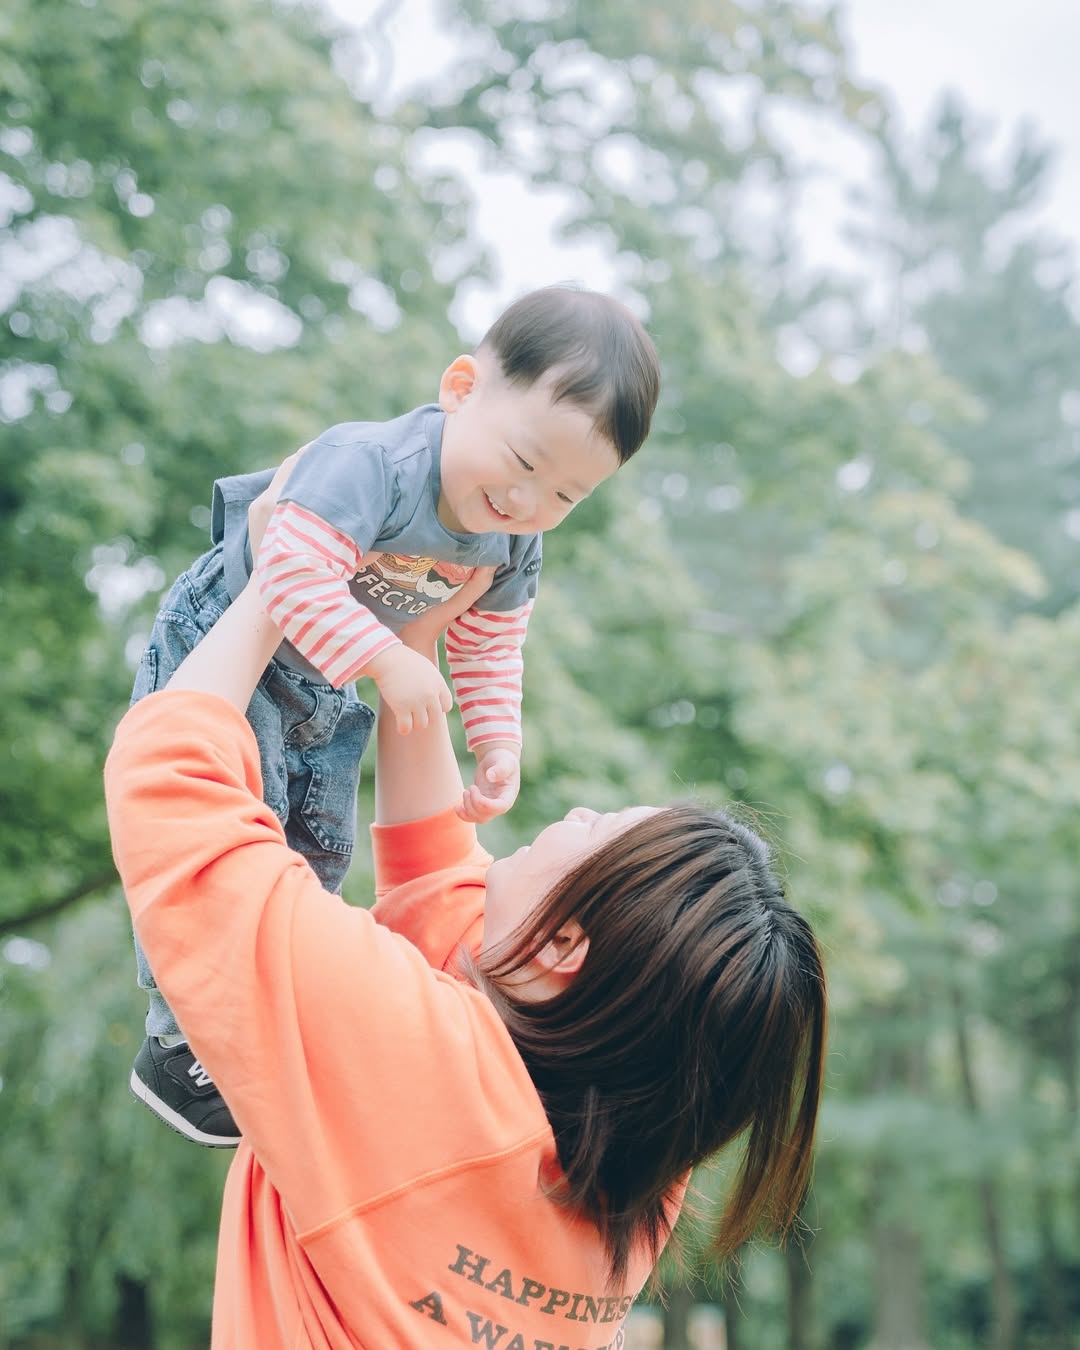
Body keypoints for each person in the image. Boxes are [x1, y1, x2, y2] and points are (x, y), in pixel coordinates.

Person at [104, 467, 827, 1349]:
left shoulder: (410, 1054)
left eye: (594, 828)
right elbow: (449, 911)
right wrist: (416, 648)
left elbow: (176, 798)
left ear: (565, 943)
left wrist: (273, 579)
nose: (572, 815)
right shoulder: (628, 1179)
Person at [127, 284, 662, 1145]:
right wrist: (388, 659)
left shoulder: (514, 541)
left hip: (327, 680)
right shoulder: (371, 464)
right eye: (524, 464)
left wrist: (495, 740)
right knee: (227, 826)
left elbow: (490, 644)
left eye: (567, 496)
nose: (529, 505)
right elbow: (289, 575)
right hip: (234, 645)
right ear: (461, 388)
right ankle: (177, 1035)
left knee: (316, 851)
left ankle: (256, 1015)